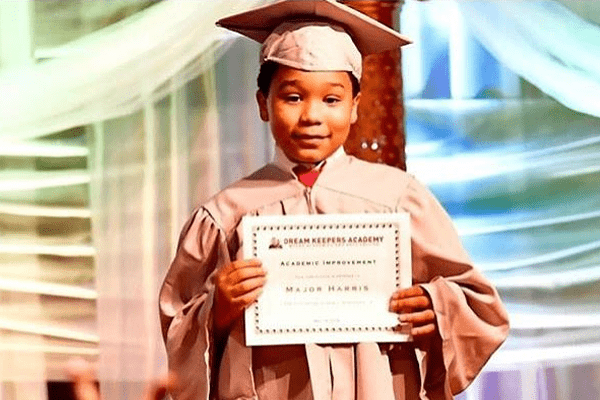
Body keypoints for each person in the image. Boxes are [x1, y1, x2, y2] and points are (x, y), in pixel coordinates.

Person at [159, 1, 509, 399]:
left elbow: (480, 306)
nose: (312, 116)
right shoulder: (224, 215)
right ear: (263, 103)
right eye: (292, 97)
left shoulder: (398, 198)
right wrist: (216, 309)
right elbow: (176, 327)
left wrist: (435, 306)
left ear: (355, 106)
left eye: (331, 99)